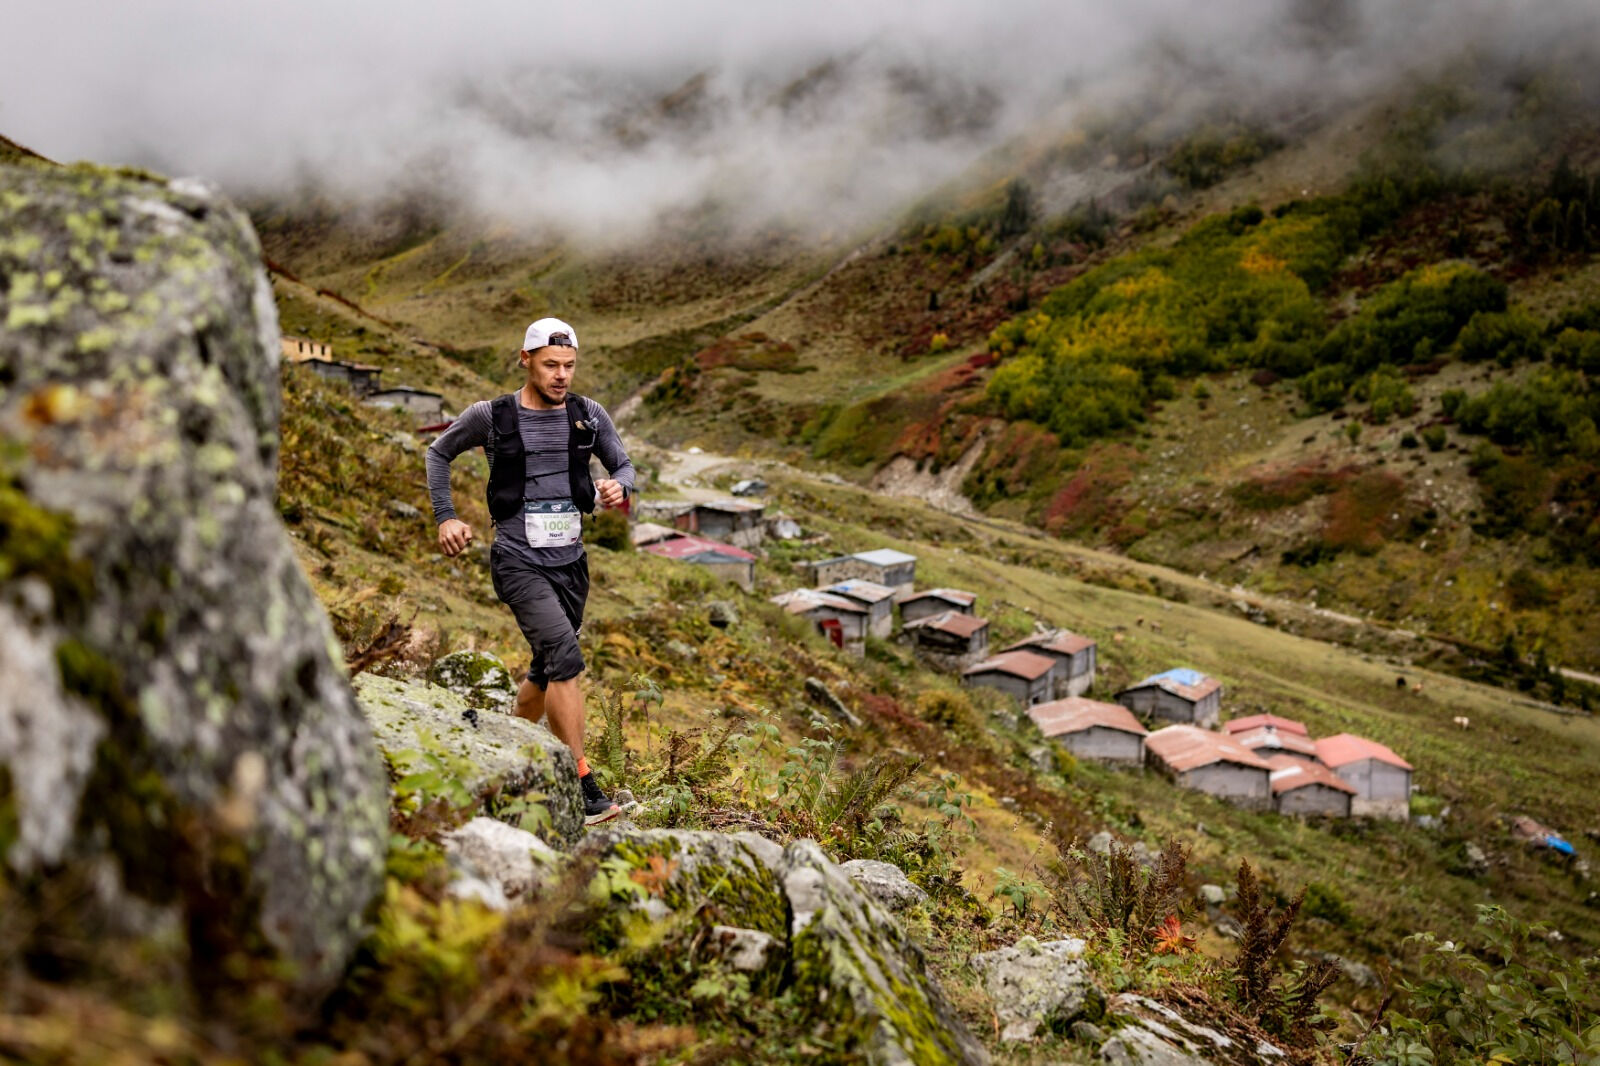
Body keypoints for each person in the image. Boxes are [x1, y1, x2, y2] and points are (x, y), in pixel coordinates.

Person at [426, 317, 634, 825]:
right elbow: (438, 453)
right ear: (526, 360)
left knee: (544, 668)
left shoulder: (588, 414)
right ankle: (583, 785)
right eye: (550, 365)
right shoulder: (491, 416)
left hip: (571, 564)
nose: (561, 375)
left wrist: (619, 488)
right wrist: (446, 516)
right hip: (518, 561)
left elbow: (624, 467)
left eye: (568, 366)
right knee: (565, 658)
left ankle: (504, 762)